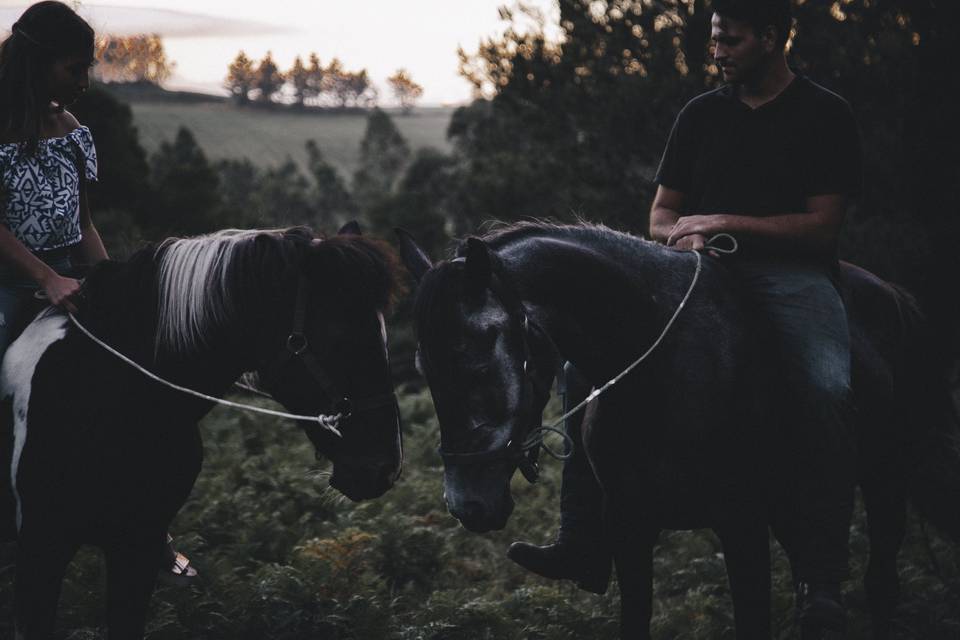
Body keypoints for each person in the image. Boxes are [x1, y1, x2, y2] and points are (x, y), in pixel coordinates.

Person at [508, 0, 860, 634]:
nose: (718, 51)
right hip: (697, 274)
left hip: (791, 277)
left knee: (827, 384)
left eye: (732, 40)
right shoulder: (701, 114)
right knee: (586, 361)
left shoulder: (824, 114)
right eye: (716, 38)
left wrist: (724, 221)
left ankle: (820, 577)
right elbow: (662, 214)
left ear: (775, 38)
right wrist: (683, 238)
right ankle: (582, 538)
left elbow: (822, 226)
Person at [1, 0, 196, 584]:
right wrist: (45, 278)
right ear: (36, 64)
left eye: (86, 69)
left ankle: (147, 523)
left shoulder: (73, 132)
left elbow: (83, 222)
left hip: (70, 280)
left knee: (133, 379)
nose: (83, 82)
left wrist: (114, 285)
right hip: (12, 285)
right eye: (72, 69)